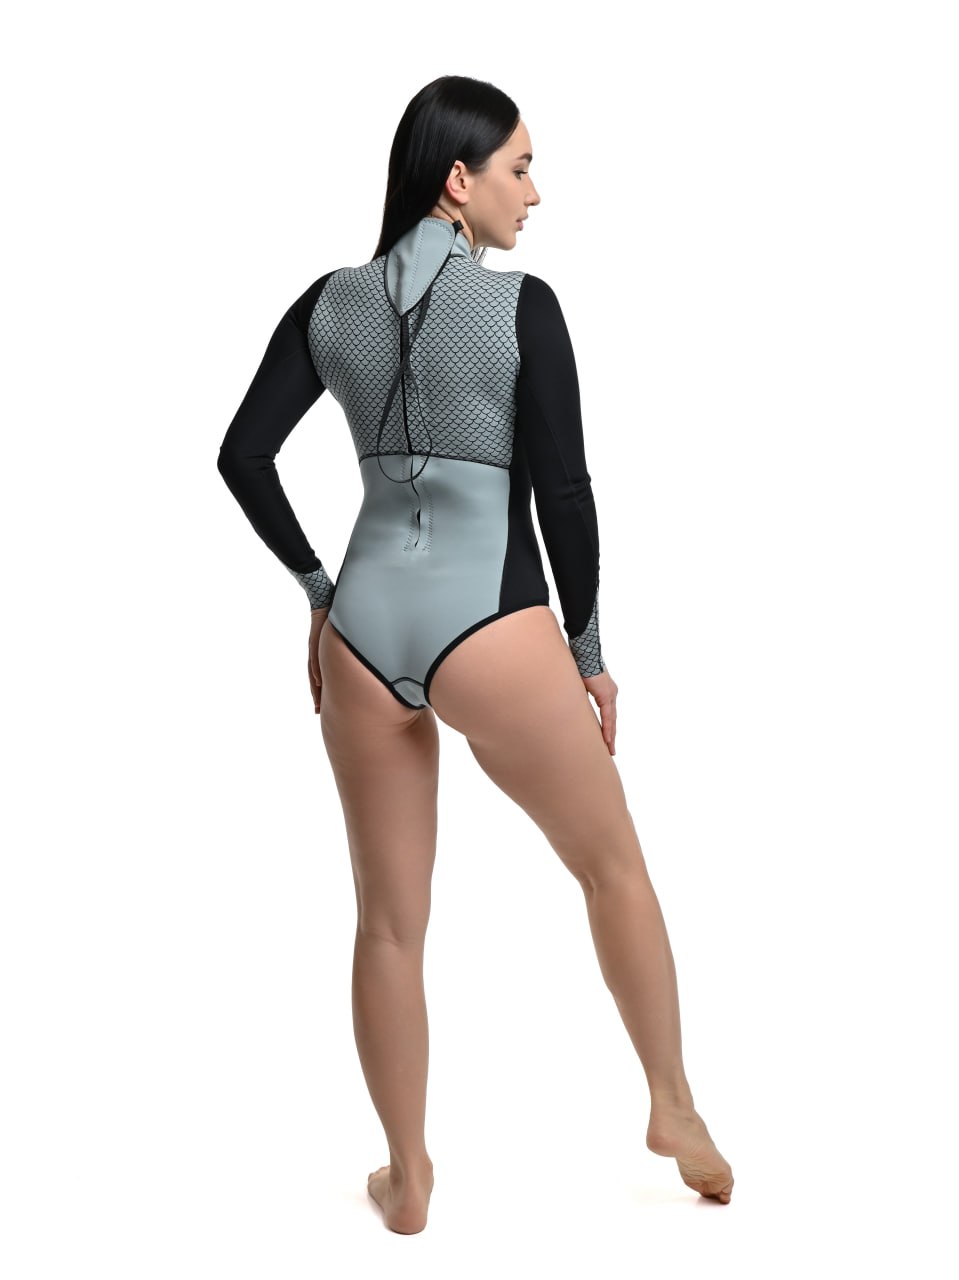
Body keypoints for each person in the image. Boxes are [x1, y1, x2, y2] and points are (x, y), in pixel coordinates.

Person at [217, 74, 734, 1234]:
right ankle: (670, 1102)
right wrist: (586, 649)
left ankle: (406, 1173)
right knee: (611, 865)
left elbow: (243, 455)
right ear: (457, 179)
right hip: (490, 622)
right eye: (518, 168)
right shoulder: (518, 306)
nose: (532, 193)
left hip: (362, 631)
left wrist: (317, 595)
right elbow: (563, 491)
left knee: (386, 921)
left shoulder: (329, 304)